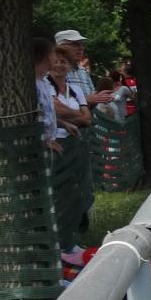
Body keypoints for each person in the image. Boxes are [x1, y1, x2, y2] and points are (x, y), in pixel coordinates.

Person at [48, 46, 95, 265]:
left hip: (76, 147)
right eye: (56, 61)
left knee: (76, 194)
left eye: (64, 62)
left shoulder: (75, 89)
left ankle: (68, 241)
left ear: (70, 66)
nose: (59, 65)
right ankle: (56, 244)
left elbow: (87, 119)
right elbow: (53, 110)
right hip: (55, 147)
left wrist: (67, 115)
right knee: (58, 196)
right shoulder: (45, 86)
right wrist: (75, 116)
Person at [54, 30, 113, 106]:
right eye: (75, 44)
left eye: (82, 44)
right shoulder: (51, 70)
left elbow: (92, 98)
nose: (81, 48)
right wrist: (87, 100)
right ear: (60, 47)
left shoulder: (83, 71)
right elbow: (52, 103)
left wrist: (100, 97)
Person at [33, 38, 61, 153]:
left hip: (48, 143)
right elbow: (36, 116)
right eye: (54, 54)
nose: (56, 58)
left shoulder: (45, 82)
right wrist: (44, 140)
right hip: (37, 146)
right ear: (48, 56)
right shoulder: (32, 84)